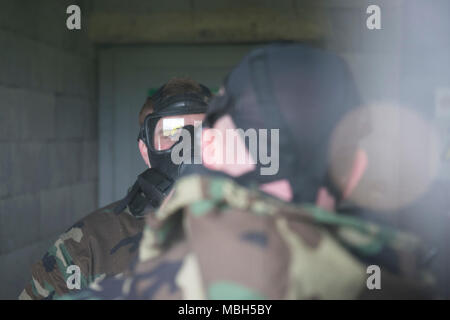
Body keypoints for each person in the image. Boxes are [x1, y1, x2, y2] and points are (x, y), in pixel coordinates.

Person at [68, 43, 436, 300]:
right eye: (175, 135)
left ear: (209, 149)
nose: (188, 145)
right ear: (355, 170)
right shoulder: (413, 278)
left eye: (201, 133)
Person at [18, 78, 212, 299]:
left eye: (201, 133)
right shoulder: (89, 244)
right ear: (145, 151)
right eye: (171, 133)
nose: (186, 146)